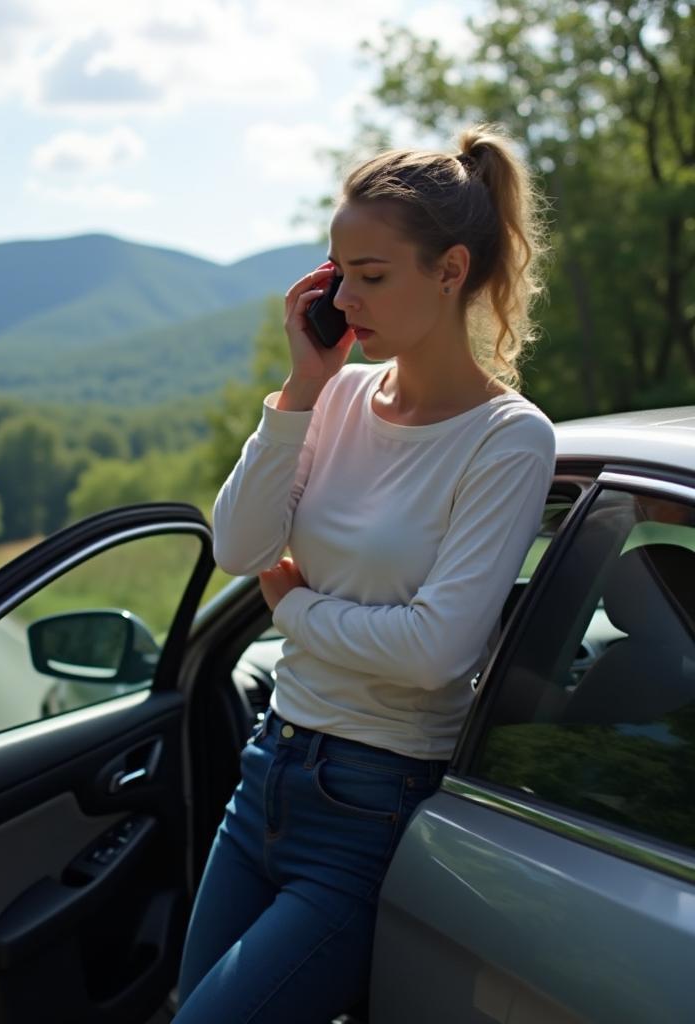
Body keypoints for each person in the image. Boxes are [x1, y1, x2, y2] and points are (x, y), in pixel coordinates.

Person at [173, 124, 556, 1023]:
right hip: (267, 766)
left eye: (372, 276)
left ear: (452, 269)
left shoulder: (507, 439)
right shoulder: (338, 396)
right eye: (336, 272)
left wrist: (295, 610)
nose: (344, 298)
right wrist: (301, 388)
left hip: (370, 806)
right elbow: (237, 546)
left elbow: (434, 653)